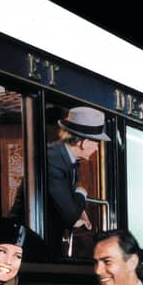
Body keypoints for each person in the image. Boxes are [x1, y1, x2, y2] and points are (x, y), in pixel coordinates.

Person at [46, 106, 109, 252]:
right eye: (96, 143)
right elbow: (70, 216)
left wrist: (80, 210)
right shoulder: (54, 159)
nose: (97, 149)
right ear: (84, 142)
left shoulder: (66, 156)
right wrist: (82, 193)